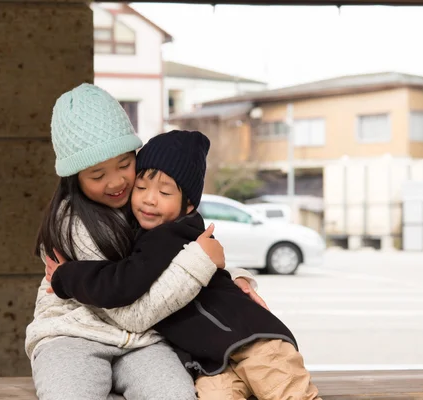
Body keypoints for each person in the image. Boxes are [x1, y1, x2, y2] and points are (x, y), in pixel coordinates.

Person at [25, 84, 261, 400]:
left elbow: (173, 257)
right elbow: (129, 312)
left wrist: (235, 278)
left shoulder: (144, 202)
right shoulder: (71, 225)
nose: (117, 181)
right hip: (72, 336)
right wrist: (200, 262)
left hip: (145, 342)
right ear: (75, 179)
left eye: (125, 164)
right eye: (97, 175)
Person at [47, 129, 320, 400]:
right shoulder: (144, 230)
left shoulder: (169, 235)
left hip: (253, 342)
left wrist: (65, 276)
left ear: (188, 205)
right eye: (141, 188)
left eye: (165, 192)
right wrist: (240, 276)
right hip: (211, 361)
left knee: (290, 395)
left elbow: (122, 284)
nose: (150, 199)